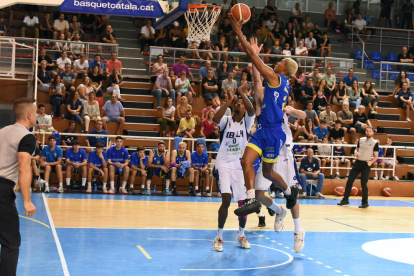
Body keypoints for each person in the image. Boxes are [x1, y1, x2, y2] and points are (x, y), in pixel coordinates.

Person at [230, 16, 299, 216]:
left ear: (284, 69)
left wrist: (238, 32)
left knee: (268, 172)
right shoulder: (279, 83)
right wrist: (254, 59)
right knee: (246, 161)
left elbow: (257, 63)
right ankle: (252, 199)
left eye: (280, 62)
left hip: (275, 132)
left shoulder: (277, 77)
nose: (276, 63)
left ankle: (288, 189)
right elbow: (258, 81)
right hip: (263, 130)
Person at [211, 85, 255, 252]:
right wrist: (228, 101)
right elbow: (215, 118)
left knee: (243, 204)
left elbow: (251, 110)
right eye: (236, 103)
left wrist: (243, 93)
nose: (238, 104)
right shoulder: (227, 120)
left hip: (239, 166)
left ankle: (241, 234)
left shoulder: (247, 121)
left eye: (240, 103)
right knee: (226, 200)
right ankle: (219, 237)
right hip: (223, 163)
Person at [0, 98, 36, 274]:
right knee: (10, 242)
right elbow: (24, 167)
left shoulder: (2, 131)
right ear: (29, 115)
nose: (36, 115)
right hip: (2, 190)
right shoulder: (27, 136)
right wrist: (27, 200)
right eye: (36, 112)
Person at [338, 127, 378, 208]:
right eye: (367, 131)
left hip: (366, 164)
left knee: (363, 183)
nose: (368, 132)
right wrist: (356, 153)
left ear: (372, 132)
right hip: (358, 162)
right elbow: (356, 149)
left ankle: (365, 202)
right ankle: (345, 199)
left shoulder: (375, 142)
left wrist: (371, 162)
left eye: (370, 131)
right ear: (365, 132)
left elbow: (376, 156)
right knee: (350, 181)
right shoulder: (361, 139)